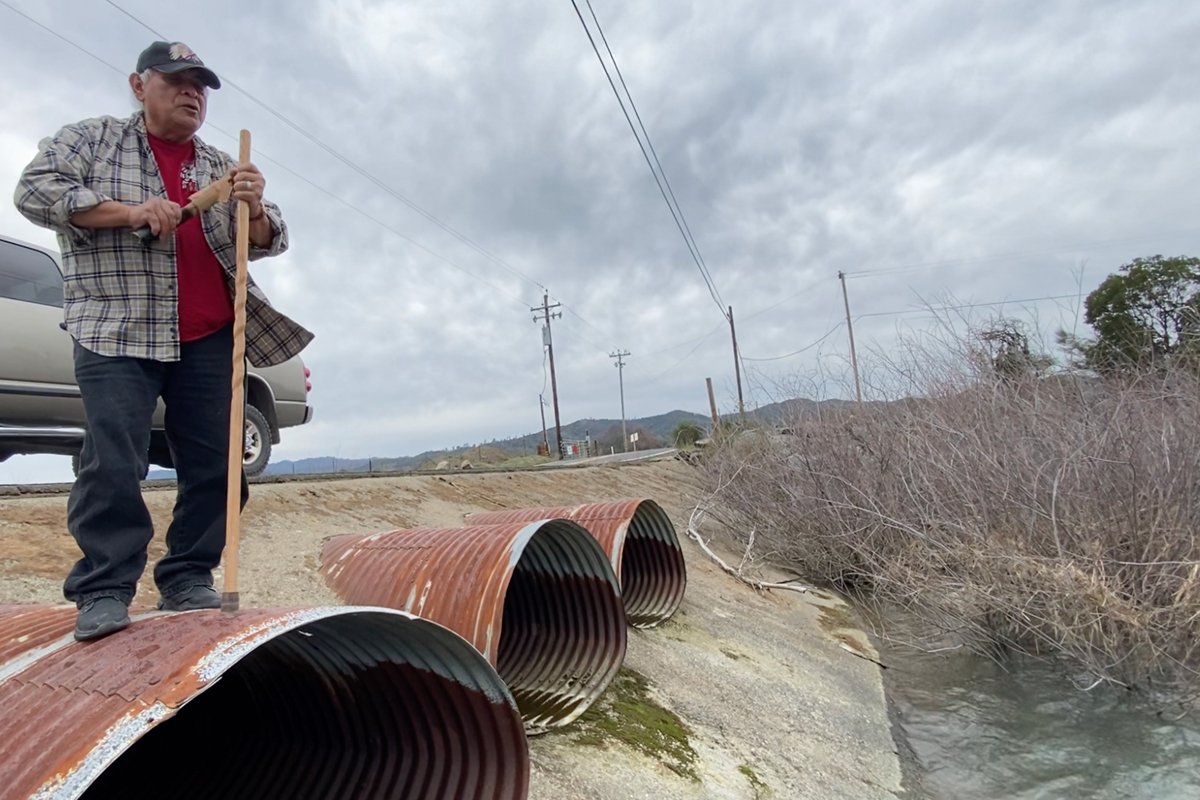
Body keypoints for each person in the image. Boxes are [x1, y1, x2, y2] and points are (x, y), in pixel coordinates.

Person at [13, 41, 312, 641]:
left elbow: (270, 236)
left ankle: (187, 577)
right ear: (138, 83)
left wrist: (252, 207)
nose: (191, 93)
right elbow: (34, 191)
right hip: (117, 326)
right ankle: (103, 588)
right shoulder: (93, 140)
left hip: (207, 335)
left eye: (200, 85)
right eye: (177, 81)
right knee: (113, 460)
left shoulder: (218, 163)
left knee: (218, 465)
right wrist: (127, 212)